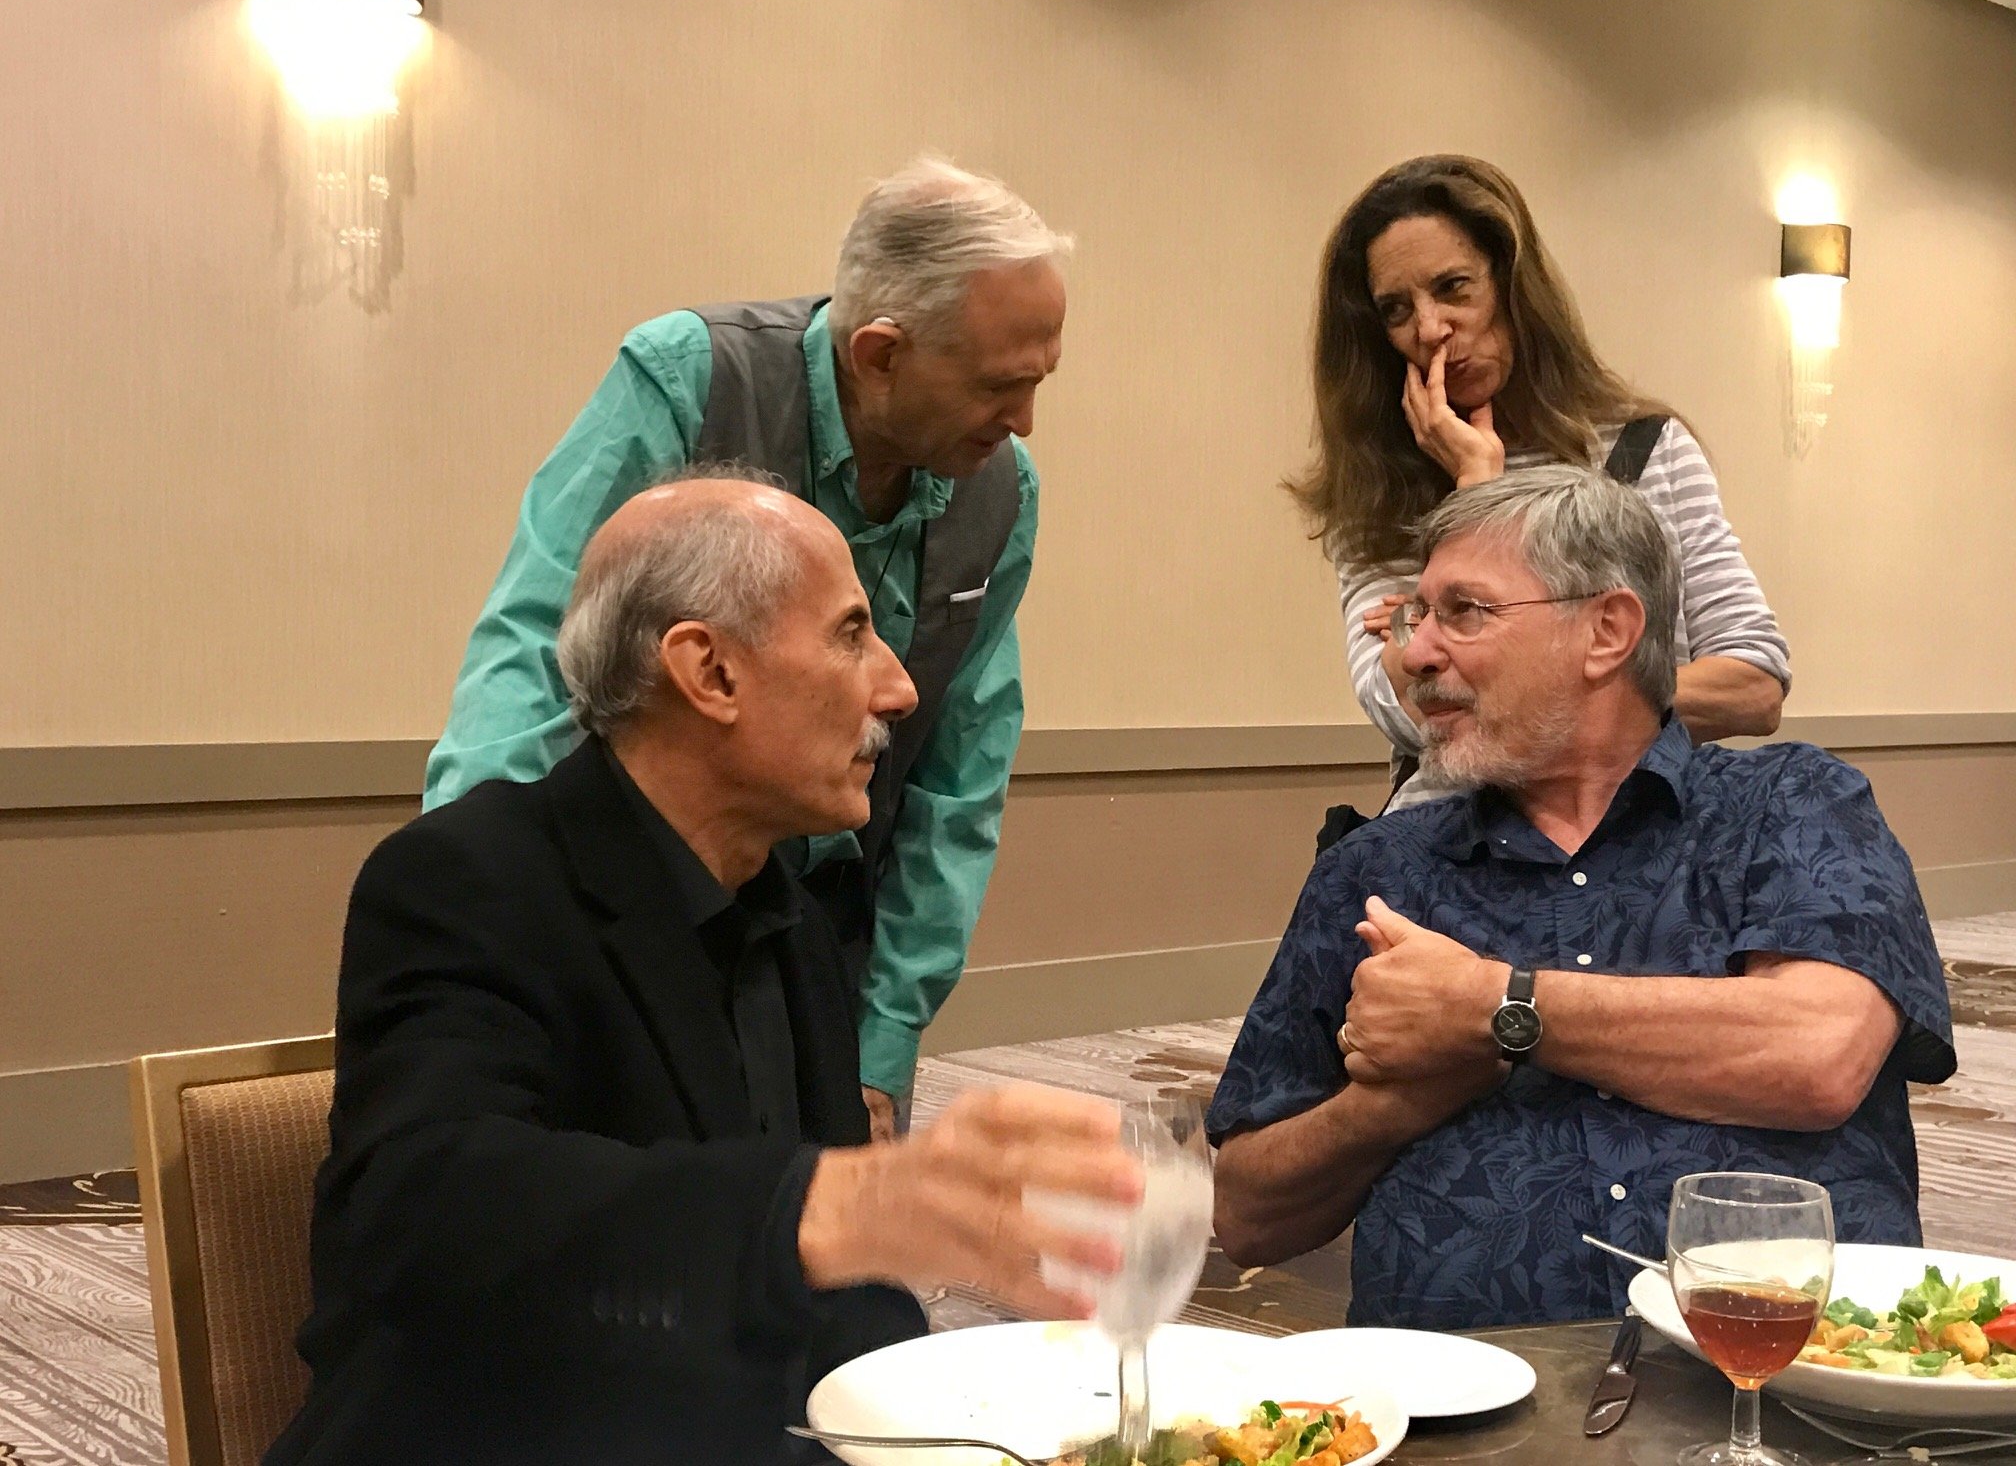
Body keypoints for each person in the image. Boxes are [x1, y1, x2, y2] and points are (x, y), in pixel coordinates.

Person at [265, 473, 1143, 1466]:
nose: (898, 687)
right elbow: (423, 1212)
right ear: (711, 673)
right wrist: (838, 1202)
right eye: (853, 634)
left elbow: (843, 1311)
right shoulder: (469, 877)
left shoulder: (794, 921)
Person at [1209, 466, 1954, 1329]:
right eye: (1416, 616)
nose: (1412, 653)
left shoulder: (1790, 804)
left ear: (1607, 630)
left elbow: (1818, 1053)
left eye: (1464, 612)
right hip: (1468, 1413)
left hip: (1780, 1390)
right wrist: (1390, 1107)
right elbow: (1247, 1215)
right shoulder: (1379, 871)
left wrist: (1496, 1008)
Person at [425, 156, 1070, 1138]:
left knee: (812, 1251)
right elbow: (535, 645)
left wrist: (884, 1035)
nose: (1022, 422)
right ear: (881, 353)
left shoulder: (1000, 488)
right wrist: (478, 907)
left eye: (1037, 385)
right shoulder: (691, 377)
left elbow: (956, 787)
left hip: (820, 944)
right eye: (998, 387)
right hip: (640, 905)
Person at [1288, 154, 1790, 810]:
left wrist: (1498, 666)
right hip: (1458, 844)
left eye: (1454, 287)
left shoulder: (1647, 448)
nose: (1431, 329)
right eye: (1396, 309)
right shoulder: (1376, 493)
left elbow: (1753, 685)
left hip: (1641, 840)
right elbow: (1404, 709)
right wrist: (1476, 491)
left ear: (1511, 286)